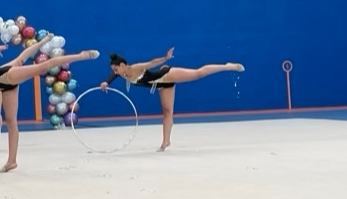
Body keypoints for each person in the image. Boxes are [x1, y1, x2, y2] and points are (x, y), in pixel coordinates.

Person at [0, 40, 99, 173]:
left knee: (42, 67)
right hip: (3, 86)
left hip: (7, 75)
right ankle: (11, 161)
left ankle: (81, 55)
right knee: (11, 122)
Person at [98, 48, 244, 151]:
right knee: (167, 112)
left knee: (197, 74)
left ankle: (227, 66)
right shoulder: (122, 74)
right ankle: (166, 141)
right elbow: (113, 77)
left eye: (116, 69)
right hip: (162, 85)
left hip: (166, 75)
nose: (115, 72)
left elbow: (151, 63)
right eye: (113, 70)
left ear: (122, 65)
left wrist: (165, 58)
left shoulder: (136, 68)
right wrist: (106, 82)